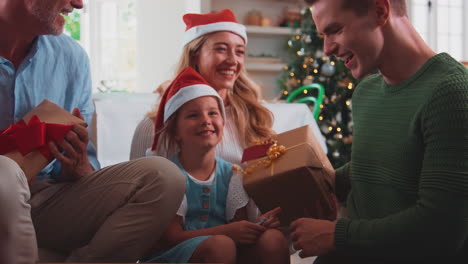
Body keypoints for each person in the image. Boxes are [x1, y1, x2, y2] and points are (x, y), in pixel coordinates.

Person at [0, 0, 185, 263]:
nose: (79, 3)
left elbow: (83, 169)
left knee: (164, 177)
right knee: (4, 172)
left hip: (46, 199)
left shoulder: (71, 58)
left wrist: (77, 165)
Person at [290, 0, 468, 263]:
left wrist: (338, 235)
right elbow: (378, 164)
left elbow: (441, 231)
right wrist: (317, 182)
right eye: (323, 35)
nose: (327, 49)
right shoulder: (367, 91)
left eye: (335, 29)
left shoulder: (451, 94)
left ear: (380, 11)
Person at [130, 8, 327, 164]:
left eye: (239, 52)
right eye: (221, 49)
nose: (233, 60)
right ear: (194, 55)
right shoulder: (154, 128)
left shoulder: (255, 117)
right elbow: (141, 199)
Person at [143, 66, 289, 264]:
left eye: (213, 113)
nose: (206, 120)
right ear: (175, 131)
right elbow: (170, 238)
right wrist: (225, 232)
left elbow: (239, 228)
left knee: (273, 240)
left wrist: (259, 225)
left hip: (222, 253)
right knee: (221, 245)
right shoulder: (169, 175)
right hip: (175, 256)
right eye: (193, 115)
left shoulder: (232, 174)